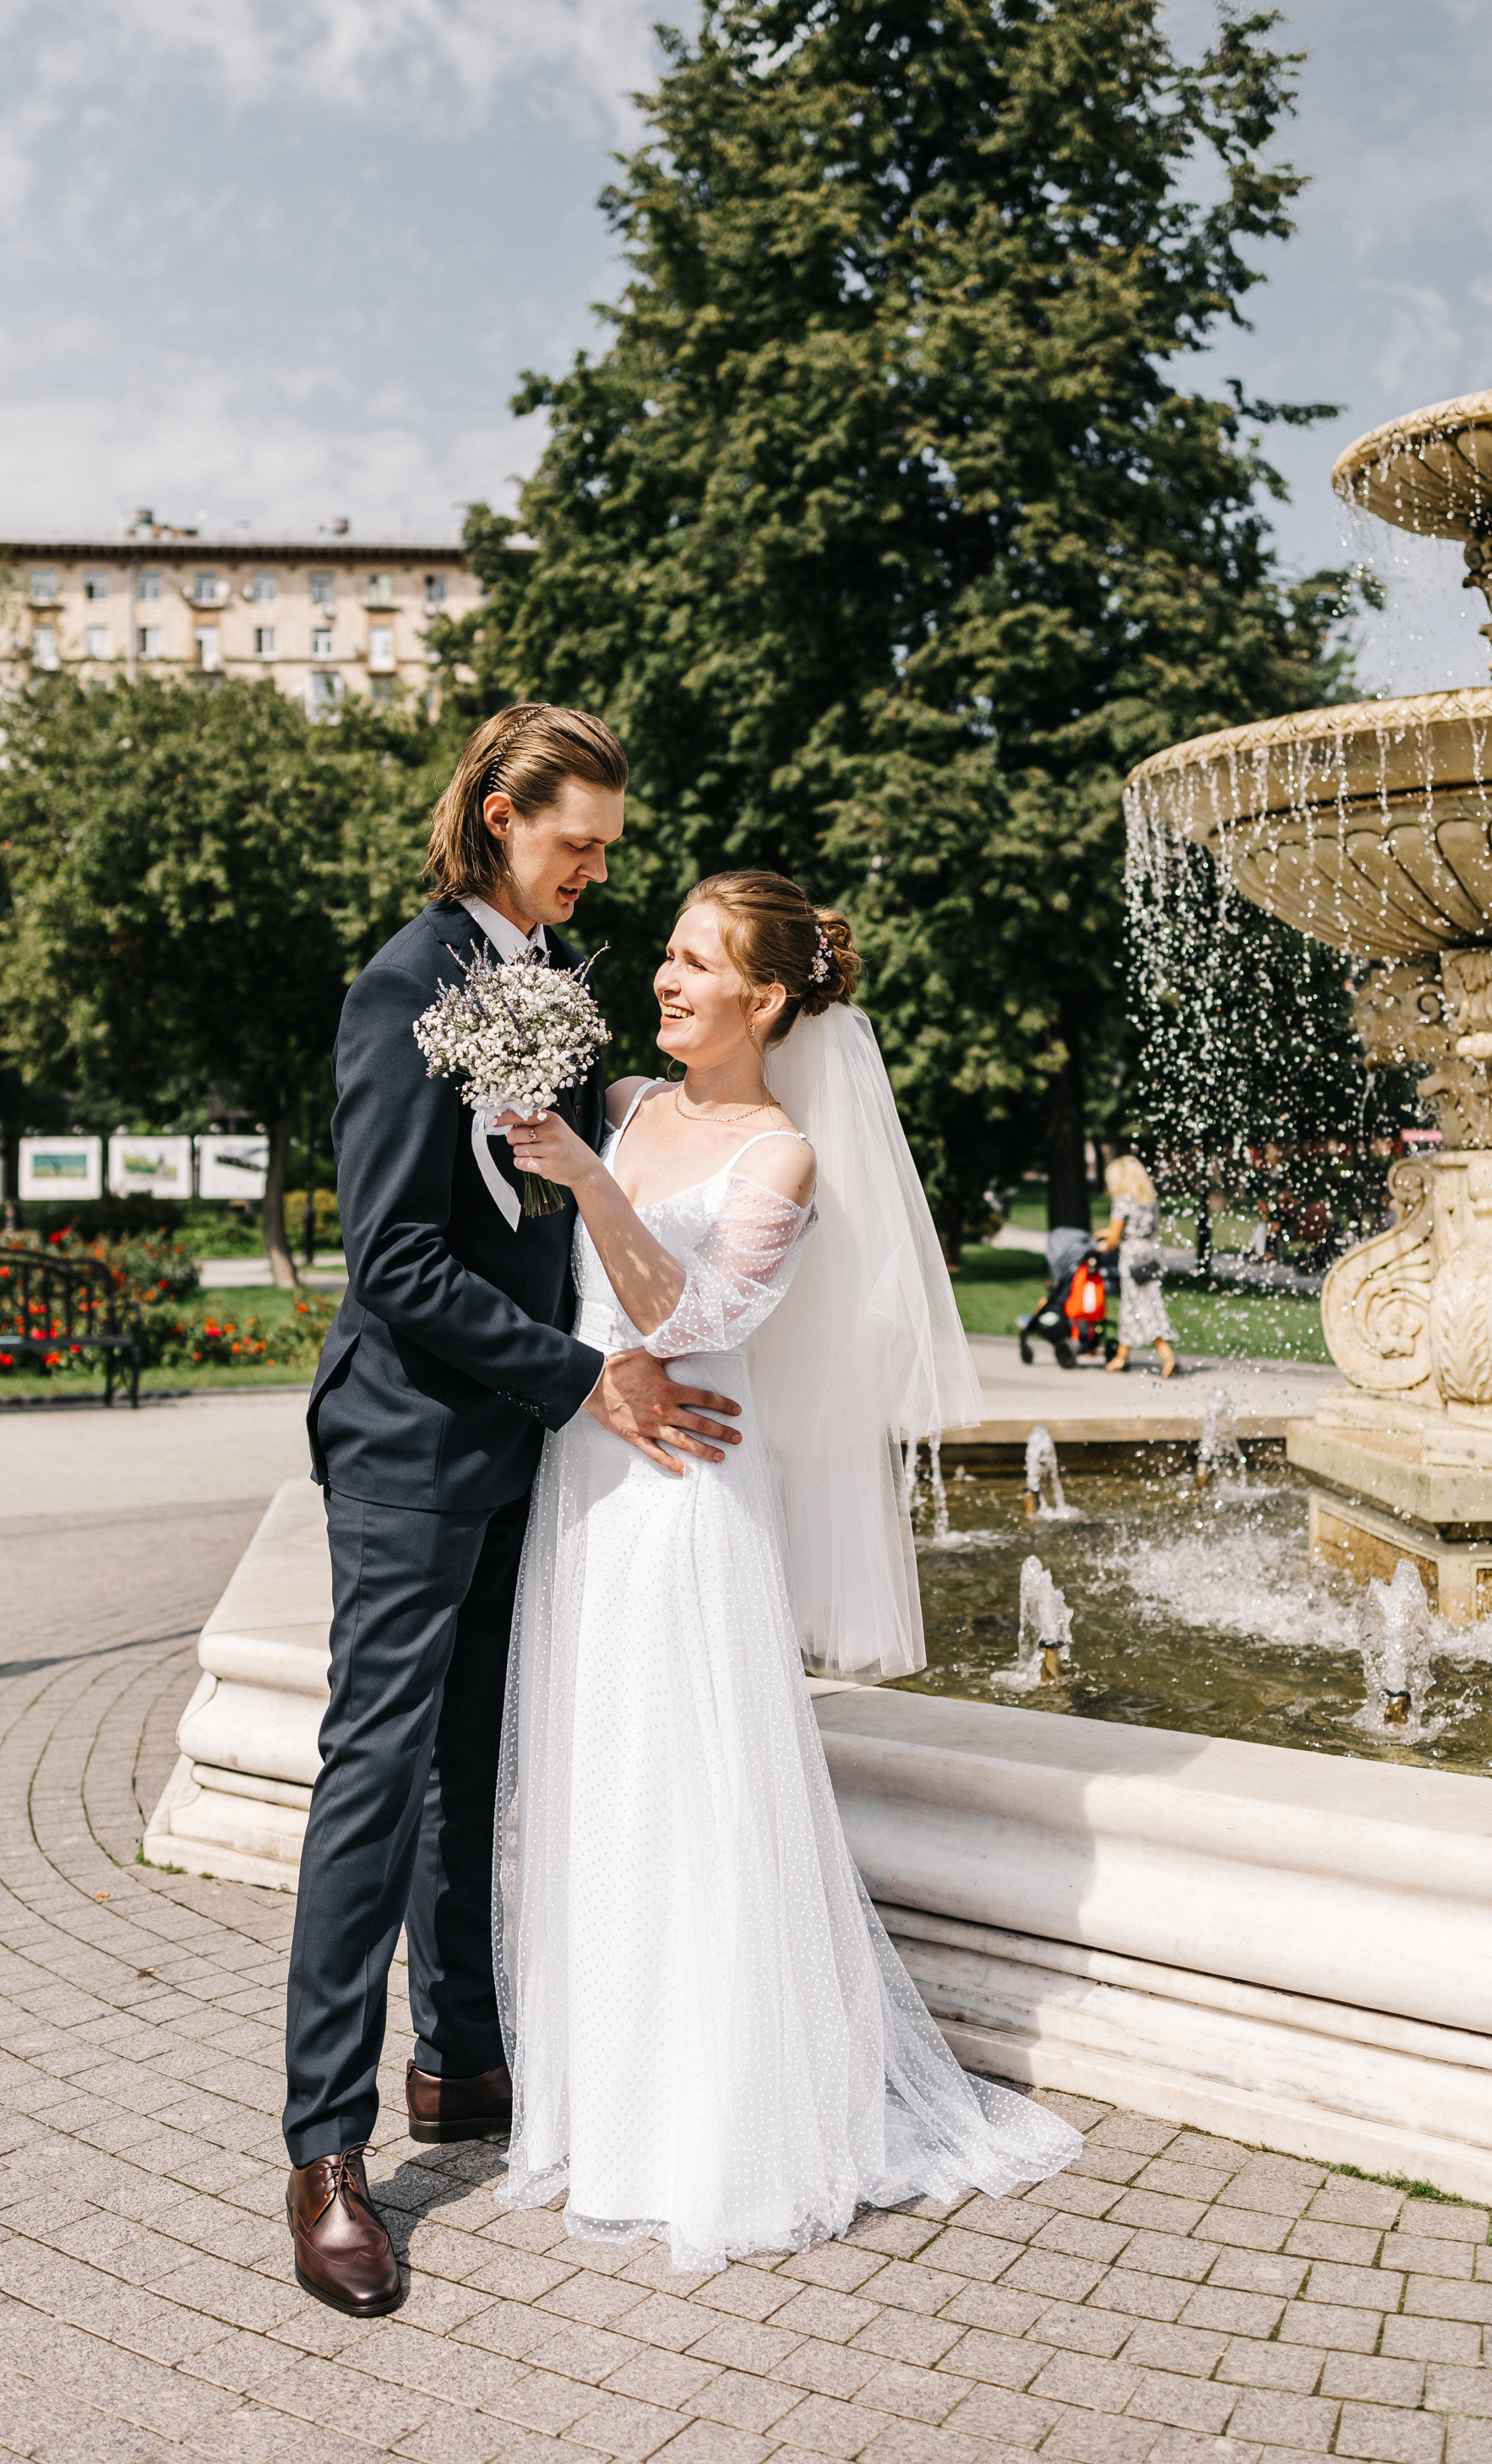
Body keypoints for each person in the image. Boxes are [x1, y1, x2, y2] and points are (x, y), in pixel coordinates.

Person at [497, 872, 1082, 2271]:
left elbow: (691, 1315)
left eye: (698, 962)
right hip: (586, 1481)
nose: (666, 976)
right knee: (599, 1786)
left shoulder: (779, 1155)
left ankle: (719, 2128)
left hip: (689, 1495)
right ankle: (614, 2107)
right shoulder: (629, 1105)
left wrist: (584, 1181)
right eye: (668, 954)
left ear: (764, 998)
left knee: (692, 1792)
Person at [284, 705, 746, 2319]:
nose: (598, 869)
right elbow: (396, 1262)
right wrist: (580, 1379)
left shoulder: (541, 989)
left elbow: (537, 1213)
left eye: (608, 846)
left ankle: (460, 2062)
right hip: (411, 1446)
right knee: (371, 1779)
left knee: (466, 1776)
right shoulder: (407, 987)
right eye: (579, 843)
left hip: (517, 1451)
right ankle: (325, 2154)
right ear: (496, 819)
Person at [1101, 1151, 1178, 1379]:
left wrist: (1102, 1244)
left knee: (1142, 1307)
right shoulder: (1149, 1200)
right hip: (1151, 1254)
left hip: (1133, 1258)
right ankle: (1121, 1357)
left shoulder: (1122, 1200)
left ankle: (1167, 1355)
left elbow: (1115, 1240)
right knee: (1135, 1304)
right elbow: (1144, 1229)